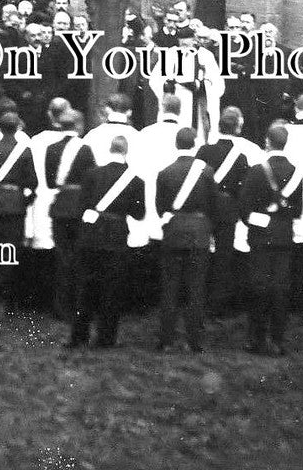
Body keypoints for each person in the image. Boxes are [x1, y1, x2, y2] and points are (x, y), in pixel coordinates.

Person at [69, 135, 144, 349]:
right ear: (126, 152)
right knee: (112, 289)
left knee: (85, 286)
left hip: (91, 233)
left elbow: (81, 205)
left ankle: (78, 336)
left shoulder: (92, 174)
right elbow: (139, 213)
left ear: (109, 150)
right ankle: (106, 338)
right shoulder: (136, 180)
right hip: (116, 235)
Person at [240, 124, 303, 356]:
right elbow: (297, 211)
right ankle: (278, 340)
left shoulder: (256, 170)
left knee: (258, 288)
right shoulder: (296, 171)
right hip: (284, 235)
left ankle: (256, 339)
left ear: (267, 142)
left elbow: (244, 207)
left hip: (260, 237)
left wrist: (259, 221)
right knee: (280, 289)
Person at [155, 128, 218, 353]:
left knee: (170, 287)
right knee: (196, 288)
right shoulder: (207, 172)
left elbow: (159, 207)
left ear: (176, 144)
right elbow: (214, 206)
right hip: (199, 232)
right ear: (195, 145)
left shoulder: (165, 172)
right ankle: (194, 341)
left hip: (173, 231)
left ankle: (166, 340)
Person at [196, 107, 255, 315]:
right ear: (237, 129)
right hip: (228, 210)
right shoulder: (240, 158)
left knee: (201, 255)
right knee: (223, 258)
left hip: (205, 207)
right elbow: (242, 190)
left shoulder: (204, 151)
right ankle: (218, 305)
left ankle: (198, 301)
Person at [0, 112, 37, 315]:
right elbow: (32, 183)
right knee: (12, 252)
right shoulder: (26, 151)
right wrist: (24, 200)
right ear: (17, 127)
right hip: (15, 206)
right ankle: (7, 303)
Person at [44, 109, 96, 320]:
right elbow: (91, 179)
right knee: (79, 258)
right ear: (77, 126)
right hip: (79, 206)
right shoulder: (85, 150)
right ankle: (78, 306)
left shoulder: (51, 149)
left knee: (61, 258)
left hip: (60, 205)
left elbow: (49, 182)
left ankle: (60, 307)